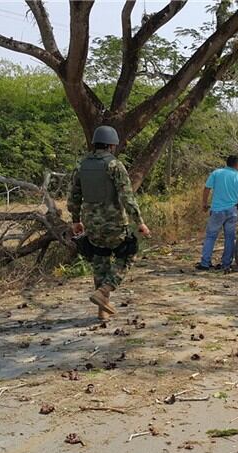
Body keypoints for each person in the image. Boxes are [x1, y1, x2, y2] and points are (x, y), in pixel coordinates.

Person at [68, 125, 151, 321]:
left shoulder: (82, 165)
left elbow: (73, 197)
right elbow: (127, 197)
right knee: (128, 254)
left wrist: (75, 221)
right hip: (113, 223)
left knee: (100, 259)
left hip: (91, 223)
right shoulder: (115, 165)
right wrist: (139, 222)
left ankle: (102, 310)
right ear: (112, 145)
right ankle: (105, 290)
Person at [197, 155, 238, 272]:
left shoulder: (216, 173)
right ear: (237, 164)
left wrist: (204, 203)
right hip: (232, 211)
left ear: (227, 163)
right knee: (229, 238)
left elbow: (207, 189)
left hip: (217, 210)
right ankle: (226, 264)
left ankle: (205, 263)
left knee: (210, 236)